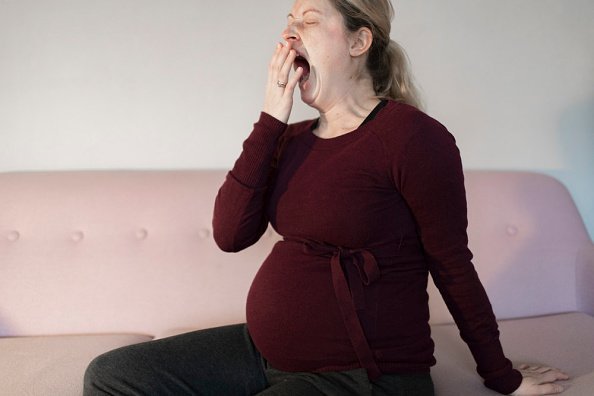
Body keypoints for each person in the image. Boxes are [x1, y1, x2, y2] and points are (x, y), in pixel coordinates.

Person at [83, 1, 570, 395]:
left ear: (359, 41)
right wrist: (271, 118)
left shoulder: (412, 138)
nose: (290, 34)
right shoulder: (290, 140)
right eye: (288, 23)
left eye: (310, 21)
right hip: (263, 354)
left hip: (363, 376)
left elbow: (452, 264)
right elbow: (230, 235)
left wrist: (502, 377)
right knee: (111, 375)